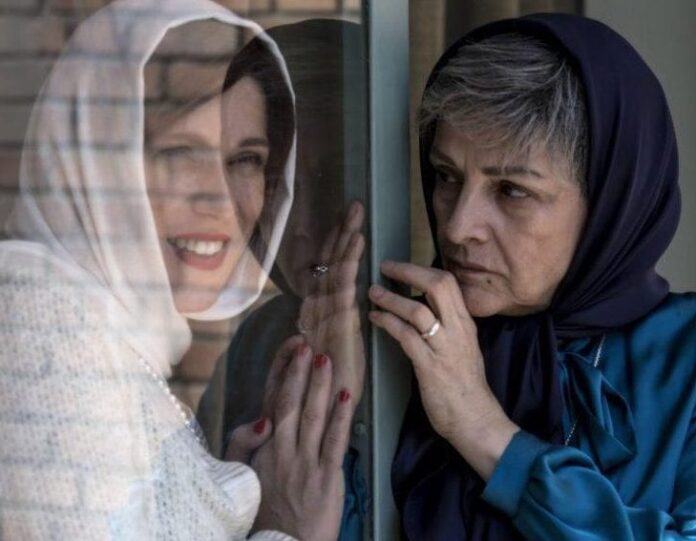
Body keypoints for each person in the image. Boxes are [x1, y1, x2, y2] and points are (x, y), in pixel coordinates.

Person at [0, 1, 352, 539]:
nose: (220, 199)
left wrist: (220, 491)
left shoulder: (111, 336)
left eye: (246, 160)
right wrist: (285, 529)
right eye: (180, 153)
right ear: (98, 162)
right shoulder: (41, 318)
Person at [368, 13, 695, 540]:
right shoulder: (412, 338)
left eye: (512, 191)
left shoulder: (685, 359)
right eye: (447, 177)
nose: (457, 227)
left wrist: (482, 428)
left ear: (611, 202)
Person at [196, 19, 369, 540]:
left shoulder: (449, 351)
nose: (301, 225)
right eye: (272, 182)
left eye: (332, 178)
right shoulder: (258, 340)